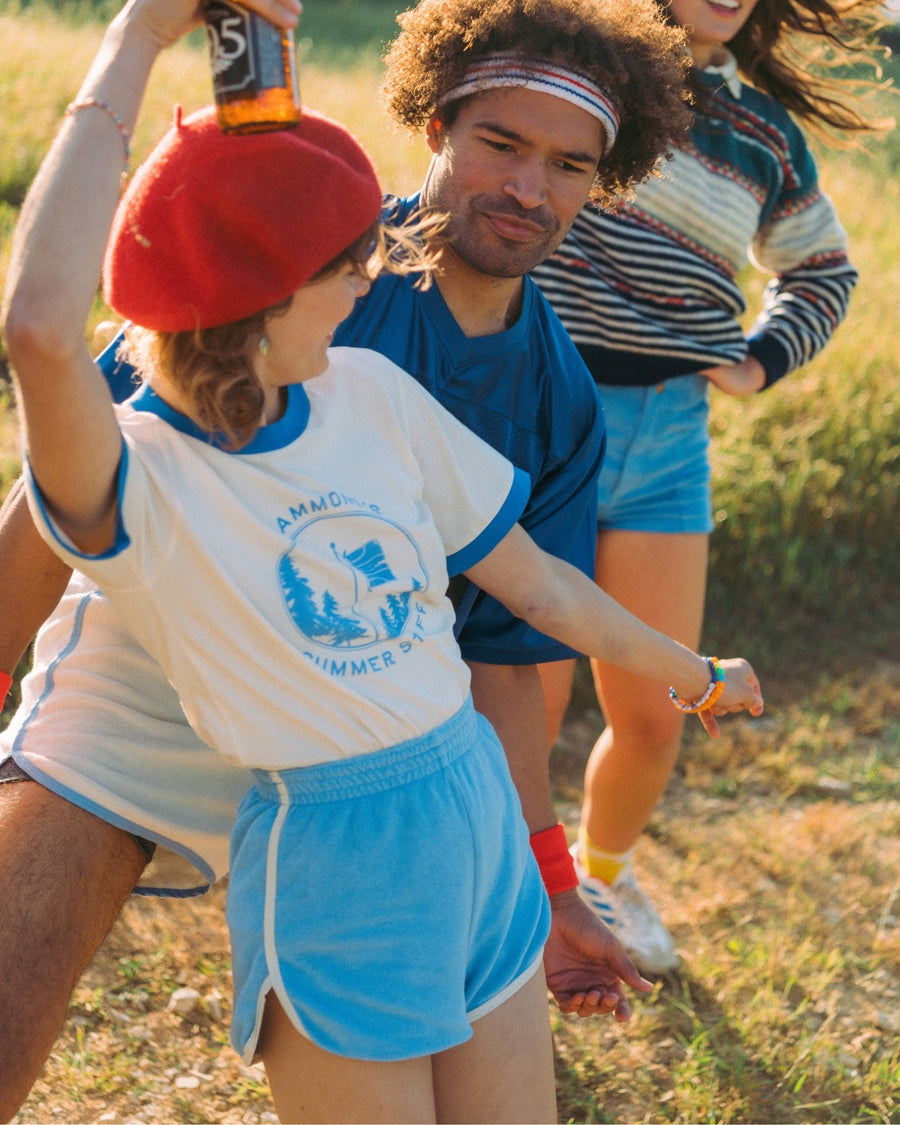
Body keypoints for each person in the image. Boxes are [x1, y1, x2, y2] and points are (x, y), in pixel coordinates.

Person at [2, 0, 765, 1119]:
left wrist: (550, 883)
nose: (527, 187)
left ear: (602, 181)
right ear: (437, 127)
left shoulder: (545, 392)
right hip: (152, 677)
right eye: (501, 144)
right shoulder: (295, 256)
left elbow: (510, 651)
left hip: (380, 753)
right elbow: (57, 489)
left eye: (568, 164)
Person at [532, 0, 888, 975]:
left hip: (668, 442)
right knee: (525, 705)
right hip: (539, 414)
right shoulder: (576, 68)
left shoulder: (763, 132)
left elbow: (821, 269)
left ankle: (604, 873)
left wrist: (759, 361)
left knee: (652, 713)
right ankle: (513, 901)